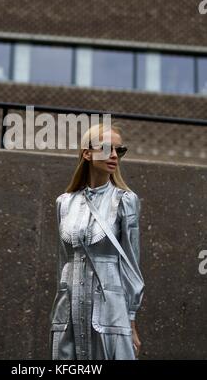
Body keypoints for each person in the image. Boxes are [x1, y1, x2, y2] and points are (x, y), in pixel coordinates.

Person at [49, 121, 145, 360]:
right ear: (87, 153)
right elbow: (63, 261)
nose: (114, 155)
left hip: (110, 308)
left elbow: (131, 264)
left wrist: (130, 318)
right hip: (68, 306)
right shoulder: (65, 202)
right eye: (106, 148)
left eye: (119, 150)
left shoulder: (125, 201)